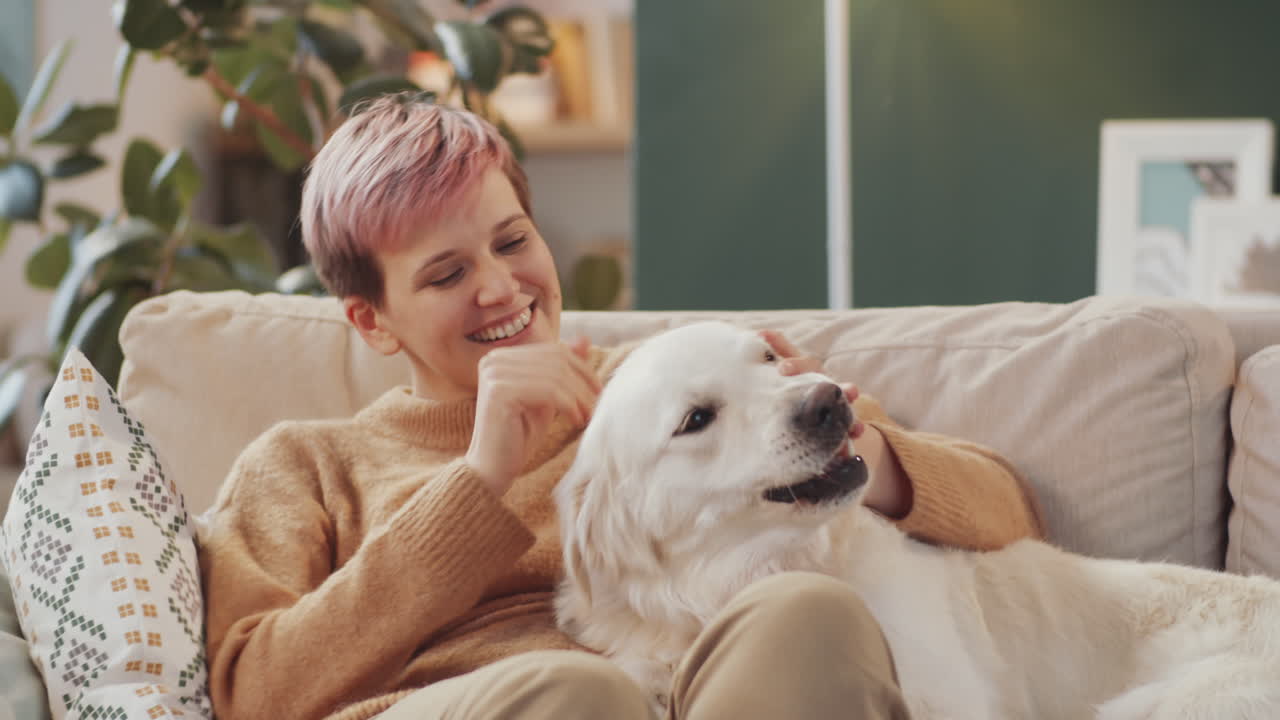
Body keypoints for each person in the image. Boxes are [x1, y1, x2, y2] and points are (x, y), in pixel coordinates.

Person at [198, 94, 1044, 720]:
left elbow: (1007, 509)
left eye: (512, 240)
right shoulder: (305, 463)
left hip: (700, 698)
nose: (501, 287)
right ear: (371, 321)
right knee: (579, 693)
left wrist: (838, 441)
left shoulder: (676, 390)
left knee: (806, 612)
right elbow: (250, 692)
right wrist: (479, 480)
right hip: (493, 707)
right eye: (447, 275)